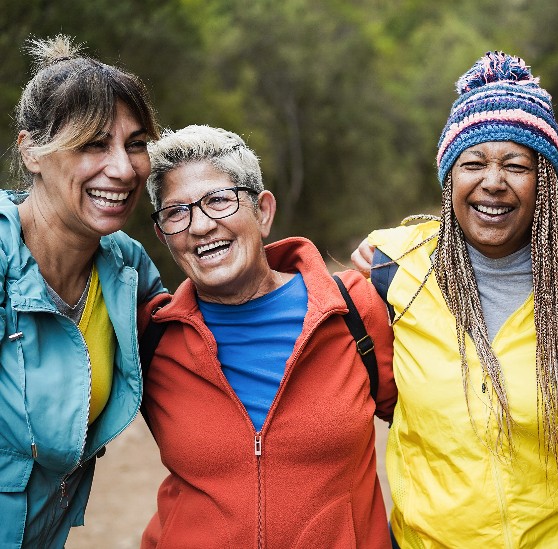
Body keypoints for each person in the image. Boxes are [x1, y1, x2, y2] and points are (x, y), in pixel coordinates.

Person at [351, 51, 558, 548]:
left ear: (545, 182)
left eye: (516, 164)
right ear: (449, 178)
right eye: (472, 162)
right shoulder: (394, 272)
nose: (492, 182)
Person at [139, 124, 397, 548]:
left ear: (262, 211)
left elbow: (434, 430)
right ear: (163, 234)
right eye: (176, 212)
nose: (200, 226)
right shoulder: (151, 335)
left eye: (219, 200)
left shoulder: (353, 311)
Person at [0, 35, 165, 548]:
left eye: (135, 144)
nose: (123, 168)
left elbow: (207, 340)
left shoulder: (126, 266)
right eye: (95, 143)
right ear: (32, 150)